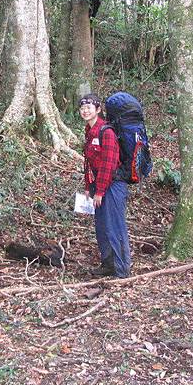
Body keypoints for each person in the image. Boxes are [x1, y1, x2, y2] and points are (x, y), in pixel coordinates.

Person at [80, 93, 131, 278]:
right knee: (102, 227)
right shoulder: (89, 130)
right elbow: (89, 162)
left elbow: (108, 165)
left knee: (115, 226)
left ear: (98, 110)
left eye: (89, 108)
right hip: (99, 186)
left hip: (113, 186)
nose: (85, 111)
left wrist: (99, 191)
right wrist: (89, 187)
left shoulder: (106, 132)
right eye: (83, 108)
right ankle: (108, 265)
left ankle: (122, 270)